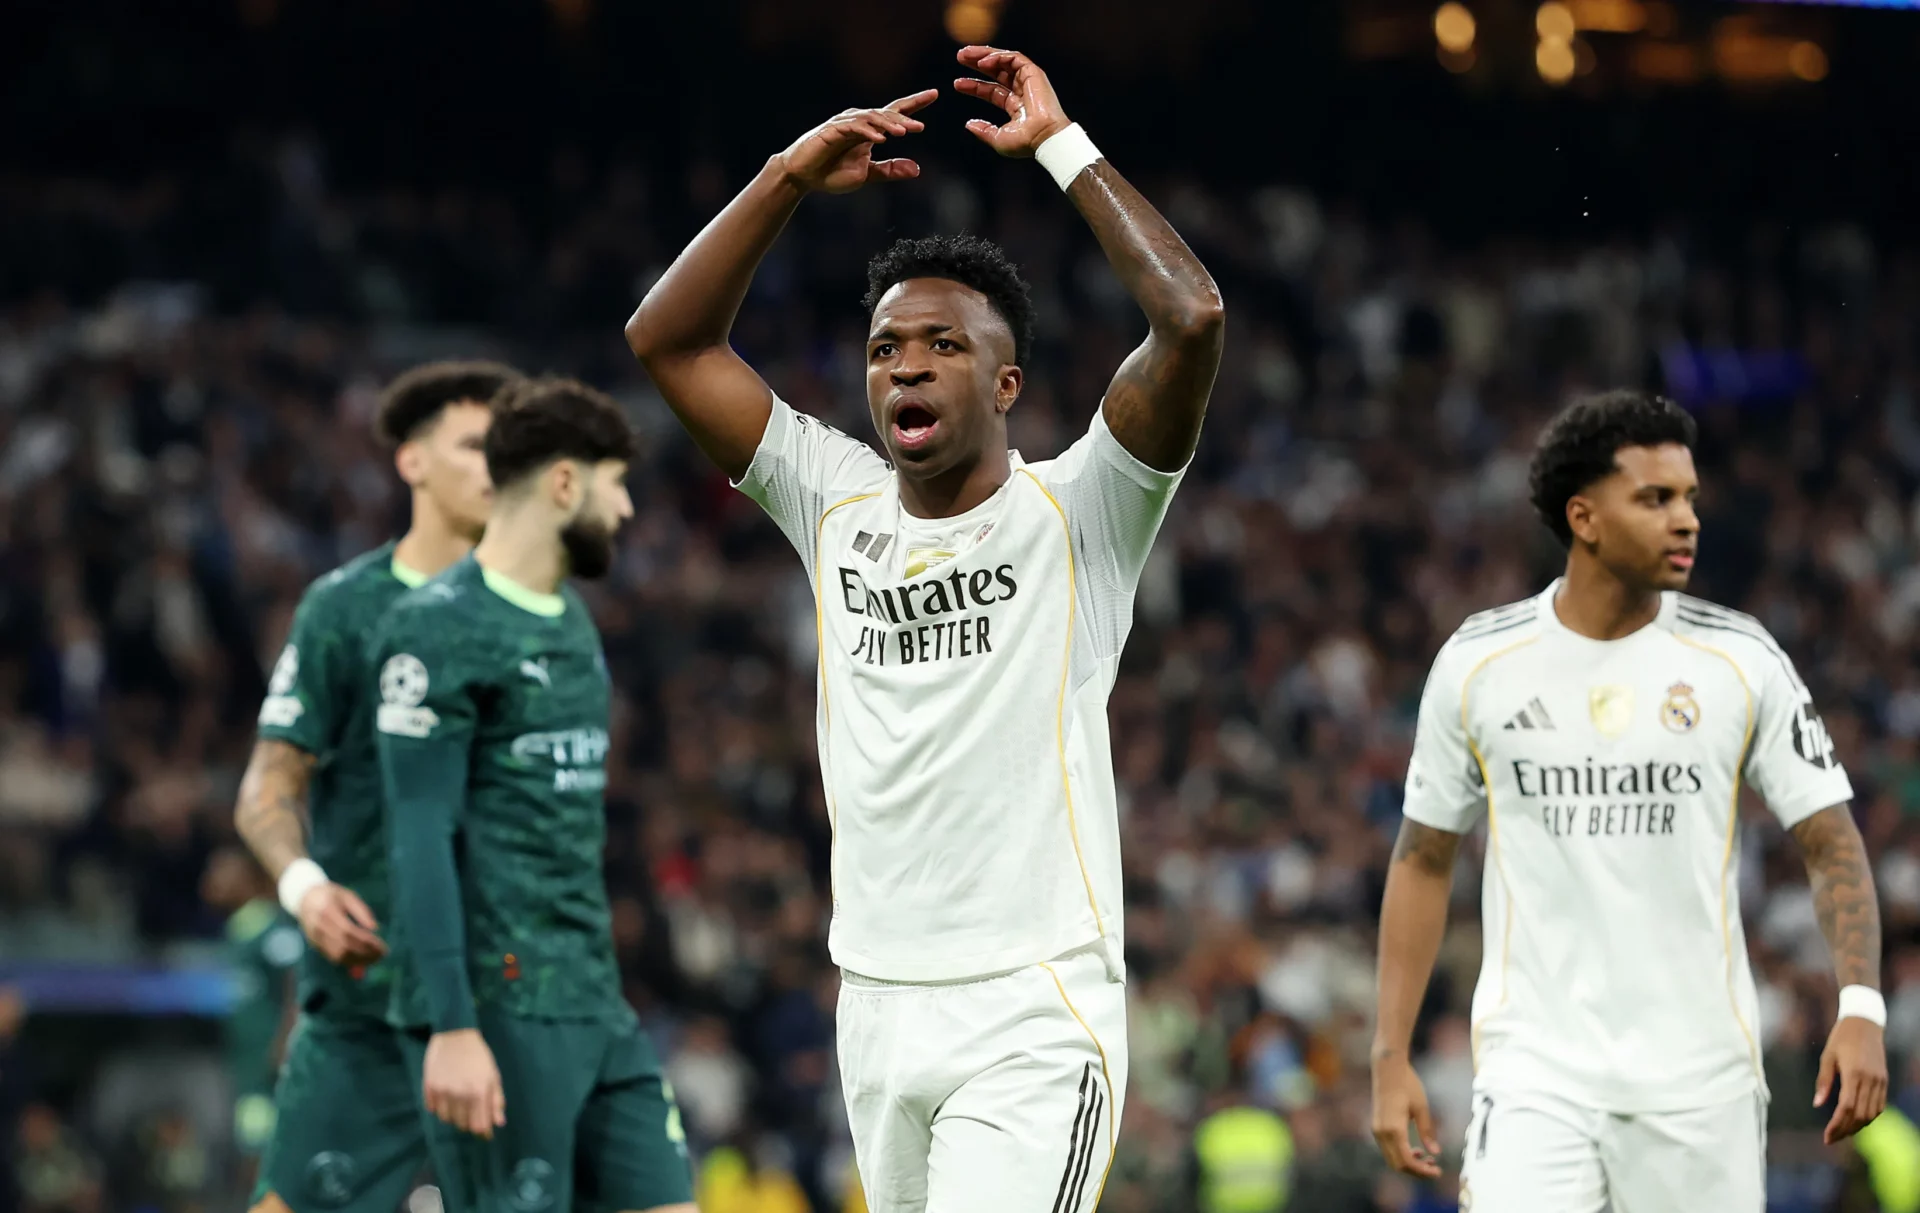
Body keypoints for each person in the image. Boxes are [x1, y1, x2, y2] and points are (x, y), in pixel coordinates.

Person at [627, 43, 1223, 1213]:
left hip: (1030, 1004)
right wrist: (785, 179)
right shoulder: (832, 500)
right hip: (879, 1001)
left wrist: (1061, 147)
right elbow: (670, 341)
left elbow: (1191, 315)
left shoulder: (1084, 509)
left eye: (945, 345)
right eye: (887, 348)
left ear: (1005, 385)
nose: (908, 364)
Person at [1370, 390, 1889, 1210]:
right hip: (1535, 1074)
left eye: (1688, 498)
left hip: (1701, 1084)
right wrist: (1389, 1054)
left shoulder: (1739, 658)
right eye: (1655, 498)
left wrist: (1861, 1005)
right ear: (1585, 517)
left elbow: (1831, 841)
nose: (1686, 519)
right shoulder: (1479, 663)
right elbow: (1422, 858)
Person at [372, 377, 694, 1213]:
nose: (624, 509)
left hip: (593, 996)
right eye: (615, 483)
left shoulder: (574, 625)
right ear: (563, 483)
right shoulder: (436, 627)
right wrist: (452, 1024)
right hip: (497, 1002)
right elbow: (418, 835)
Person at [233, 358, 516, 1213]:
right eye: (472, 444)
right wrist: (305, 885)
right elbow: (265, 789)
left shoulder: (540, 620)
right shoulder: (342, 610)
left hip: (501, 1006)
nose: (495, 464)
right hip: (364, 1008)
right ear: (412, 461)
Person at [201, 847, 304, 1193]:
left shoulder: (273, 926)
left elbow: (297, 984)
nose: (211, 878)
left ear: (248, 875)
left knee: (268, 1161)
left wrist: (287, 1043)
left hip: (273, 1072)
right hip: (248, 1069)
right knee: (252, 1155)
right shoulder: (238, 928)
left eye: (222, 868)